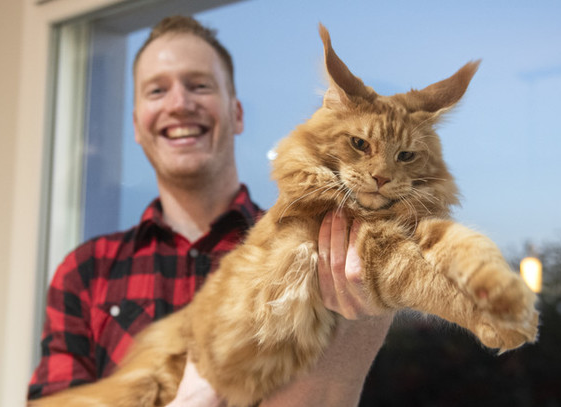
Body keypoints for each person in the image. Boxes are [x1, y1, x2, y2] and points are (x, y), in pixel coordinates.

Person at [28, 15, 394, 406]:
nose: (179, 104)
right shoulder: (85, 272)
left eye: (199, 85)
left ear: (236, 114)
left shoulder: (314, 250)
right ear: (136, 125)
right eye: (156, 90)